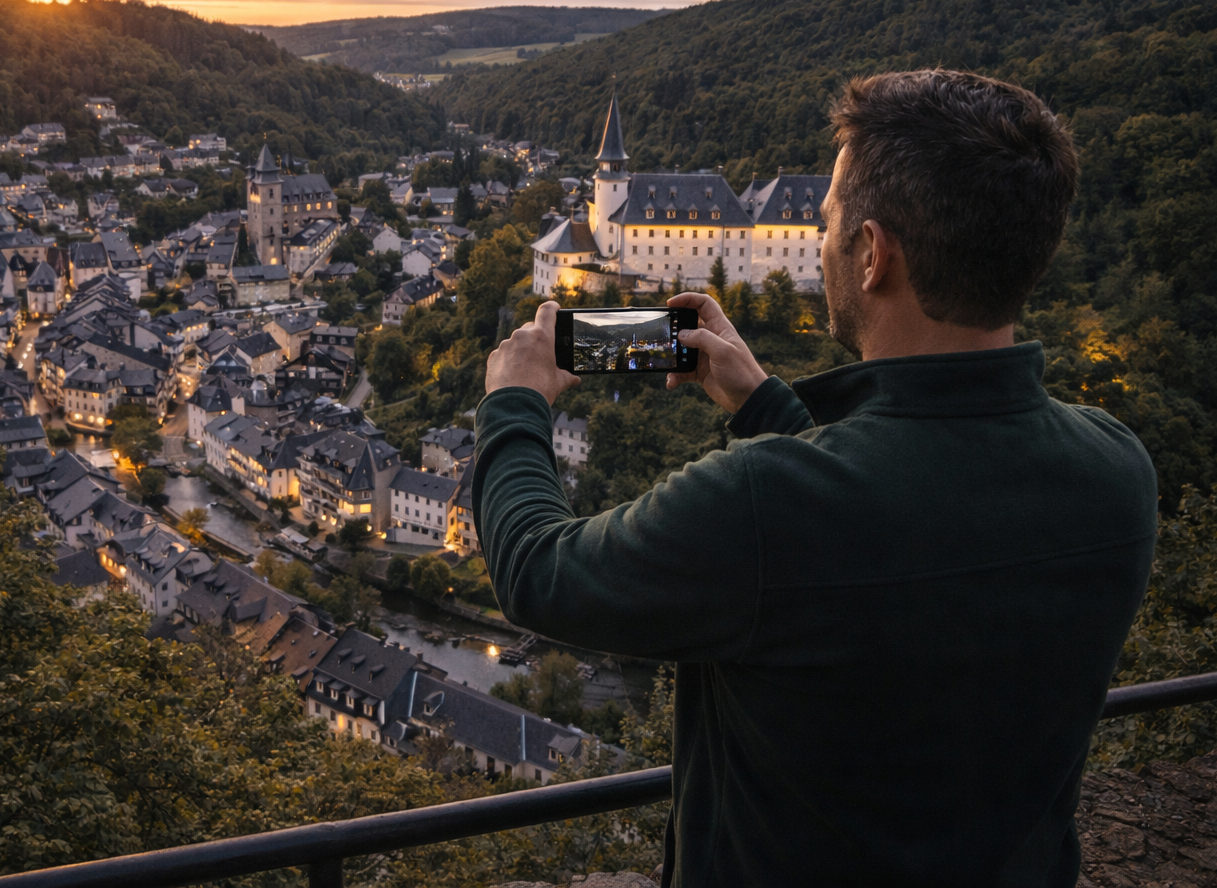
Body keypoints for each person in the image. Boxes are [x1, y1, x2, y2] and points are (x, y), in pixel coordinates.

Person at [474, 70, 1157, 887]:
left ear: (872, 256)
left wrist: (515, 402)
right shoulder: (1117, 472)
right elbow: (897, 530)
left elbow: (538, 572)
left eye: (827, 222)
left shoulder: (765, 503)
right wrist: (763, 401)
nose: (821, 236)